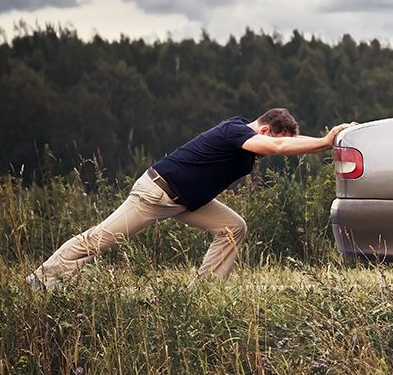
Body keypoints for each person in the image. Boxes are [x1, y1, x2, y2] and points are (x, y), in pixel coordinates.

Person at [25, 108, 356, 288]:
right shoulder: (236, 130)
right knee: (100, 239)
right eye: (277, 142)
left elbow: (279, 146)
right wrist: (327, 141)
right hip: (154, 194)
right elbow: (277, 147)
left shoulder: (249, 145)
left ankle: (205, 290)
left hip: (185, 202)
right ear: (266, 130)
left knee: (233, 227)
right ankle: (40, 280)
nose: (272, 153)